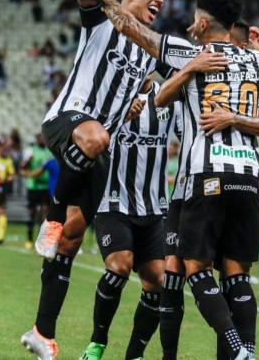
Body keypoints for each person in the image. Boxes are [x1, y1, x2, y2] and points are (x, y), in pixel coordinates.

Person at [100, 0, 259, 360]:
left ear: (200, 20)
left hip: (204, 175)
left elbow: (134, 31)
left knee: (195, 268)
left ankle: (235, 350)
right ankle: (247, 351)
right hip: (248, 175)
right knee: (235, 275)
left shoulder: (191, 54)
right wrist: (256, 45)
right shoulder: (256, 63)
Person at [21, 0, 168, 360]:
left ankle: (42, 331)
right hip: (68, 122)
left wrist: (135, 104)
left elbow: (135, 93)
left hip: (97, 151)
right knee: (96, 138)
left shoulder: (149, 49)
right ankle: (50, 219)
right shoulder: (103, 18)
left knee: (70, 239)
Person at [153, 19, 259, 360]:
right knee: (216, 271)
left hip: (199, 180)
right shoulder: (254, 74)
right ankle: (238, 351)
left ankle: (234, 350)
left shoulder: (196, 72)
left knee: (192, 269)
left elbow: (160, 95)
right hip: (235, 179)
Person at [81, 77, 182, 360]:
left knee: (158, 280)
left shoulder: (168, 96)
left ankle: (134, 353)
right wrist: (120, 116)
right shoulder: (111, 93)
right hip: (114, 202)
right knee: (120, 266)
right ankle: (97, 342)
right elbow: (90, 136)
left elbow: (187, 131)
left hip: (154, 207)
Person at [20, 134, 52, 250]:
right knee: (31, 212)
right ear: (37, 140)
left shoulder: (49, 152)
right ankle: (29, 239)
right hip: (33, 186)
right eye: (41, 138)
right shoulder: (30, 151)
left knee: (45, 212)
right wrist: (28, 161)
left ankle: (41, 240)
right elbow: (22, 167)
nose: (43, 140)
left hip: (45, 186)